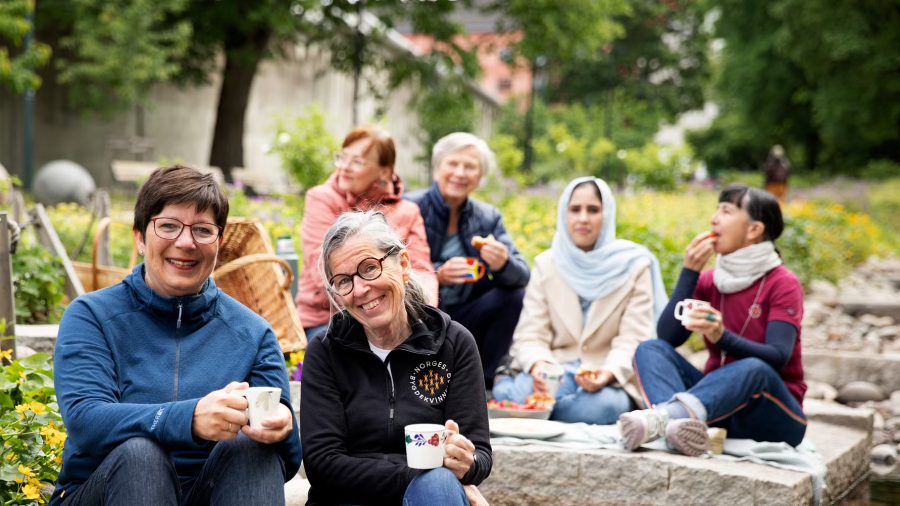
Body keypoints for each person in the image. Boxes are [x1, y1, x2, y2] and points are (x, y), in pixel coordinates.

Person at [51, 165, 303, 505]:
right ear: (139, 237)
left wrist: (282, 427)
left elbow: (286, 461)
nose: (185, 243)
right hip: (107, 492)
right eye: (168, 226)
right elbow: (86, 422)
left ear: (219, 242)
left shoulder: (253, 332)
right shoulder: (92, 316)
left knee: (253, 448)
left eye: (202, 230)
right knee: (142, 455)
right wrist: (190, 418)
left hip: (211, 492)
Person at [301, 210, 492, 506]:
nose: (361, 289)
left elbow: (479, 454)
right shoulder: (325, 351)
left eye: (369, 268)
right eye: (343, 281)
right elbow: (323, 465)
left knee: (439, 483)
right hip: (347, 500)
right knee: (437, 480)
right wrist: (416, 476)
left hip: (429, 497)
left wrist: (466, 464)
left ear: (403, 264)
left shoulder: (453, 343)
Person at [619, 183, 806, 456]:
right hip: (715, 408)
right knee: (650, 349)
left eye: (726, 211)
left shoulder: (782, 283)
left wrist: (723, 337)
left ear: (754, 230)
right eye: (716, 209)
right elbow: (669, 337)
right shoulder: (709, 280)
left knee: (753, 367)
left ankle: (663, 419)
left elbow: (777, 356)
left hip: (773, 414)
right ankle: (680, 428)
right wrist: (689, 272)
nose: (713, 219)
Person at [493, 177, 668, 424]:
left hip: (607, 379)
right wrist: (539, 365)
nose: (583, 218)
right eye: (575, 209)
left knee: (606, 407)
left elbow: (634, 338)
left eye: (593, 210)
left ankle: (526, 407)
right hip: (557, 371)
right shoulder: (547, 264)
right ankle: (528, 401)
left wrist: (607, 373)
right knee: (527, 392)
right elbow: (530, 334)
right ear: (564, 214)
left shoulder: (634, 265)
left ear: (606, 215)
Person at [406, 132, 529, 388]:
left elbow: (522, 274)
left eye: (470, 167)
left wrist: (502, 263)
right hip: (420, 314)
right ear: (437, 167)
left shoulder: (487, 217)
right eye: (453, 163)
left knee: (513, 296)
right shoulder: (410, 206)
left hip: (467, 313)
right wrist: (437, 275)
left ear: (479, 176)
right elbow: (389, 267)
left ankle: (483, 384)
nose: (460, 173)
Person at [296, 125, 438, 339]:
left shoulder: (407, 212)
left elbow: (423, 274)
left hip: (395, 319)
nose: (344, 167)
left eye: (357, 162)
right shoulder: (321, 199)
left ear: (384, 171)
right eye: (342, 158)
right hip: (329, 318)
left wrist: (410, 315)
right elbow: (323, 275)